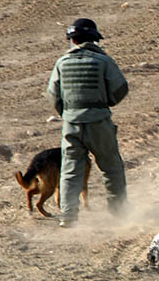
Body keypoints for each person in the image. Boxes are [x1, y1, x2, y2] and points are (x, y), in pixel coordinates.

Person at [45, 18, 129, 228]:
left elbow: (53, 95)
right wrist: (104, 103)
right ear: (94, 39)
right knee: (111, 167)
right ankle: (118, 212)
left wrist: (68, 113)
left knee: (71, 170)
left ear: (72, 40)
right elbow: (120, 89)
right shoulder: (103, 61)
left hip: (71, 123)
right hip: (99, 121)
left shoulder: (62, 62)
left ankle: (68, 215)